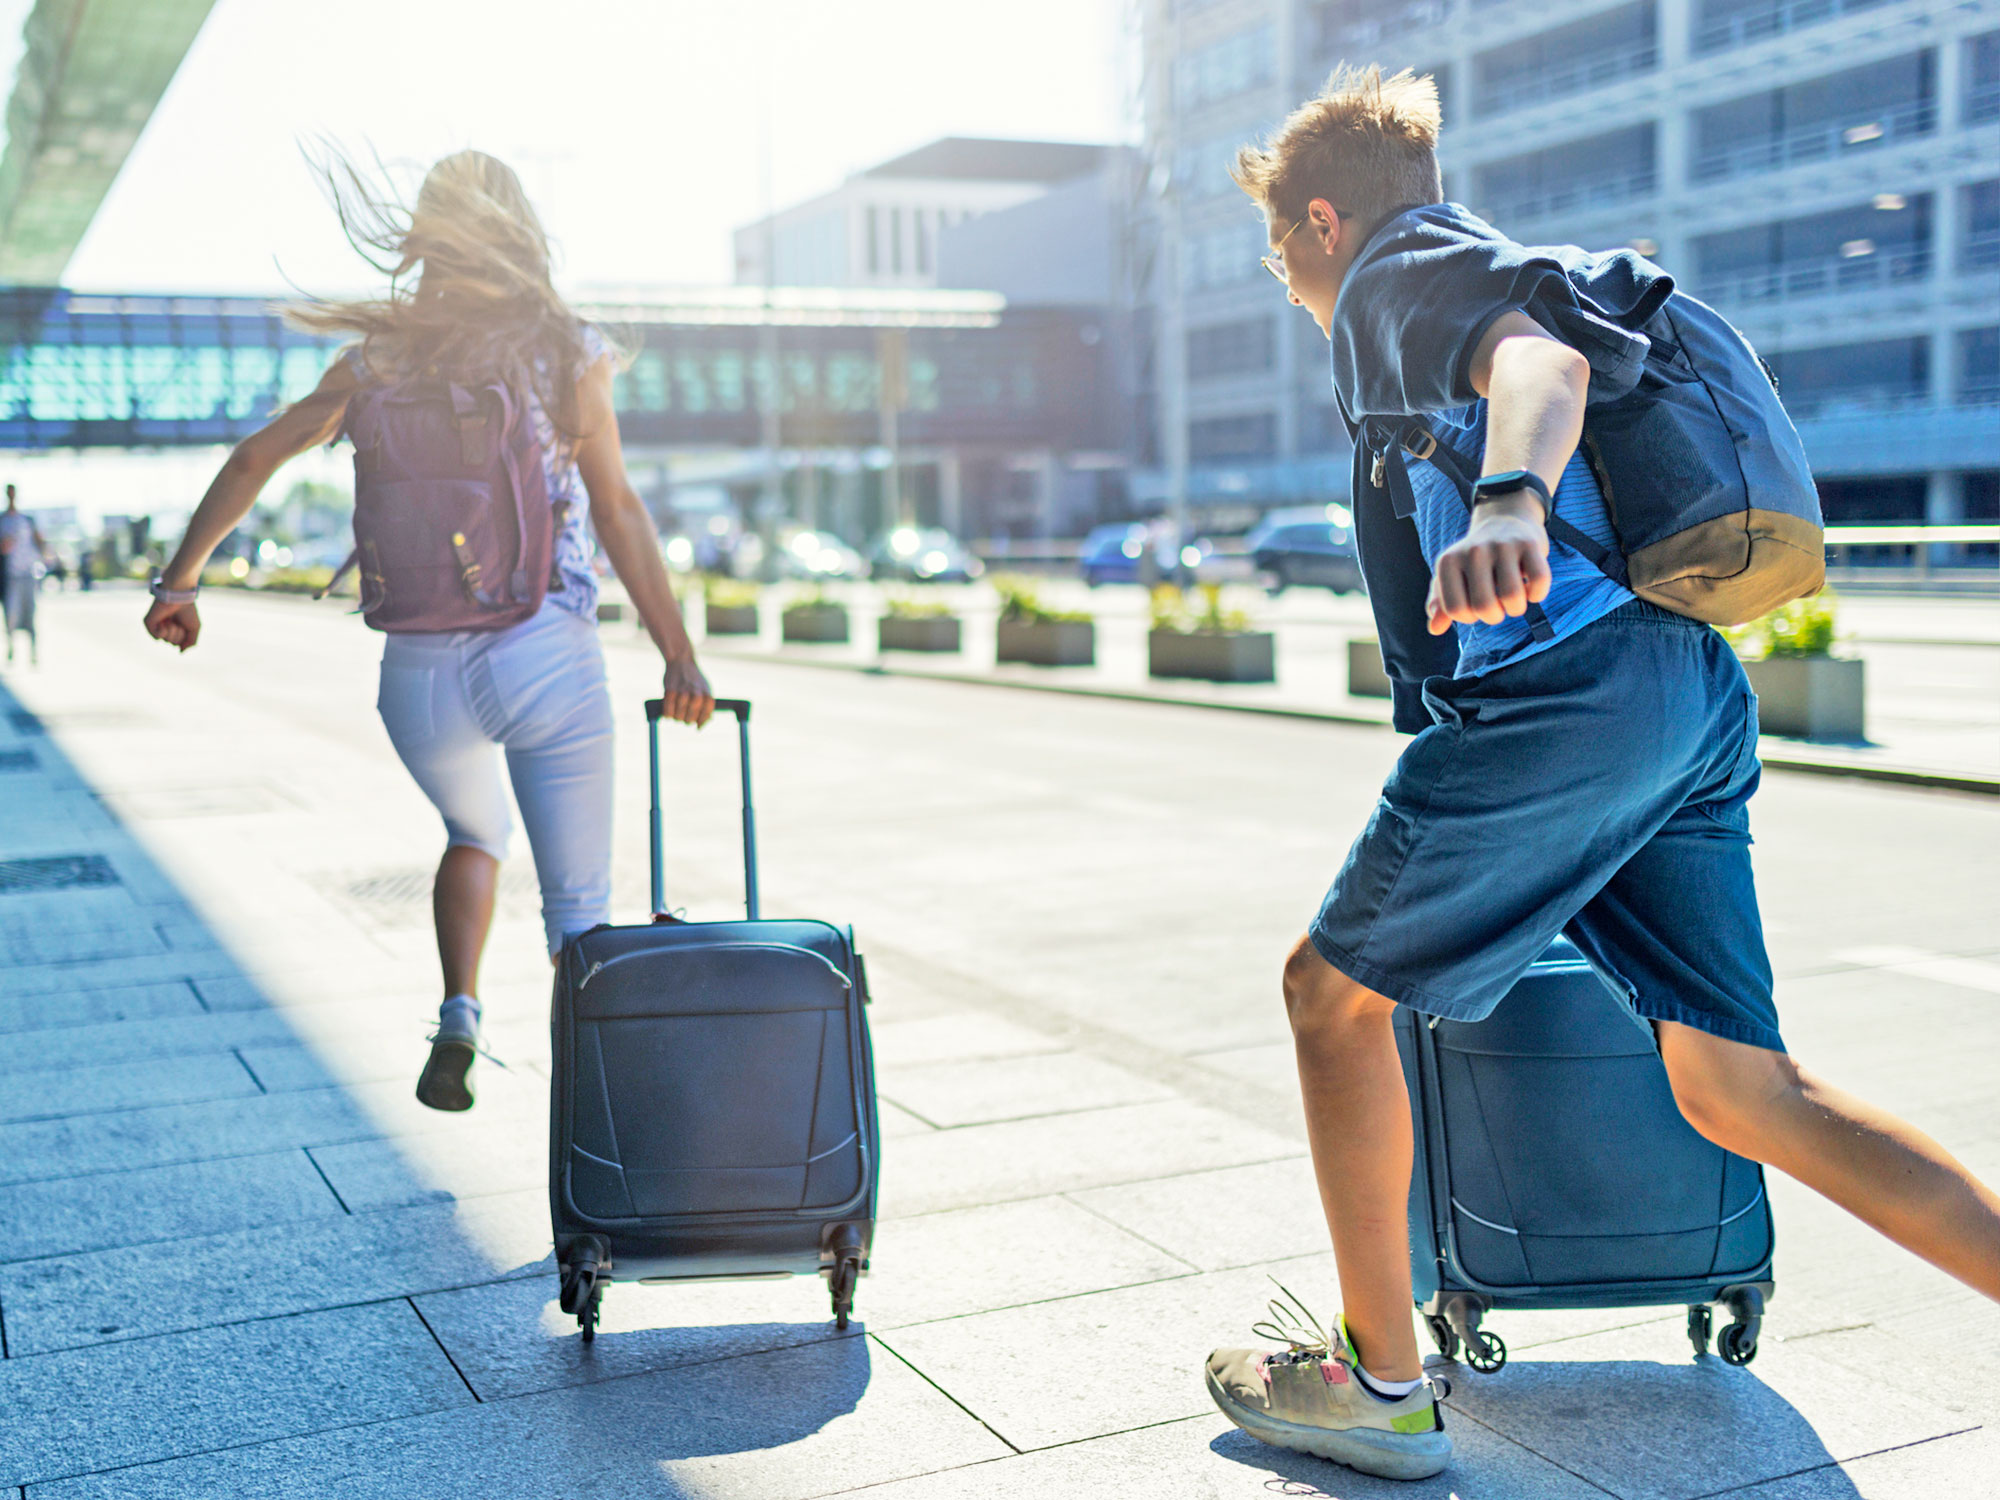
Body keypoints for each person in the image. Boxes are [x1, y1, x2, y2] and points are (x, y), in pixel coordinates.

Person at [1201, 67, 2000, 1481]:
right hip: (1681, 686)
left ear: (1322, 220)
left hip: (1565, 699)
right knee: (1743, 1091)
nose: (1289, 281)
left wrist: (1507, 495)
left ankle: (1380, 1383)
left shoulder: (1401, 270)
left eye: (1281, 254)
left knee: (1329, 999)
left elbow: (1539, 370)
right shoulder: (1465, 265)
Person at [144, 150, 714, 1112]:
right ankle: (608, 1145)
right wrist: (678, 650)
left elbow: (252, 461)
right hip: (544, 651)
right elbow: (616, 507)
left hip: (417, 672)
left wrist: (180, 581)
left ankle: (459, 1010)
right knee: (579, 919)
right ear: (520, 229)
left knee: (472, 830)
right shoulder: (563, 348)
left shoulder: (377, 357)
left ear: (425, 233)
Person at [1, 484, 48, 666]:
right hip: (10, 576)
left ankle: (33, 651)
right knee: (11, 614)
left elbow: (40, 543)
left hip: (28, 573)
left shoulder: (27, 520)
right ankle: (11, 647)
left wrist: (42, 554)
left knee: (30, 614)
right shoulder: (2, 520)